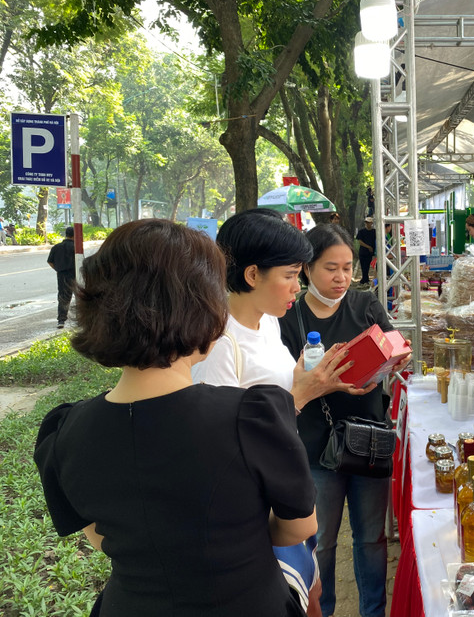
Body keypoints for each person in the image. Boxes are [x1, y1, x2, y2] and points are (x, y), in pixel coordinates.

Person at [34, 219, 316, 617]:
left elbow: (100, 537)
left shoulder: (63, 432)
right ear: (200, 308)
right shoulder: (251, 416)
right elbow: (298, 527)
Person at [193, 208, 373, 617]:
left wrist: (317, 376)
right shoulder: (220, 344)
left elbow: (282, 388)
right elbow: (220, 444)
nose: (298, 285)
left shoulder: (269, 322)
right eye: (290, 275)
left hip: (284, 485)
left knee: (309, 590)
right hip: (252, 511)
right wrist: (302, 394)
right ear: (253, 275)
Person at [280, 224, 410, 617]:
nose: (341, 278)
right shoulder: (291, 317)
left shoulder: (365, 304)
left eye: (348, 268)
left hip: (369, 437)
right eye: (330, 268)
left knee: (371, 538)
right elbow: (287, 383)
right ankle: (325, 609)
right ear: (306, 269)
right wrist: (326, 383)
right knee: (321, 541)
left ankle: (374, 611)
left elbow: (393, 342)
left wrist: (396, 356)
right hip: (318, 447)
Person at [47, 226, 76, 328]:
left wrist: (58, 269)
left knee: (63, 297)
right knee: (80, 296)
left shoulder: (56, 247)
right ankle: (81, 319)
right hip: (75, 275)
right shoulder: (77, 247)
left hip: (62, 275)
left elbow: (50, 261)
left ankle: (61, 320)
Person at [356, 217, 376, 285]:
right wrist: (368, 247)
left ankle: (365, 279)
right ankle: (364, 279)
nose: (368, 224)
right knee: (363, 266)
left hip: (370, 253)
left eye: (369, 222)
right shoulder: (361, 232)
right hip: (362, 252)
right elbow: (360, 241)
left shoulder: (374, 232)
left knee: (367, 266)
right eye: (366, 222)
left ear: (372, 223)